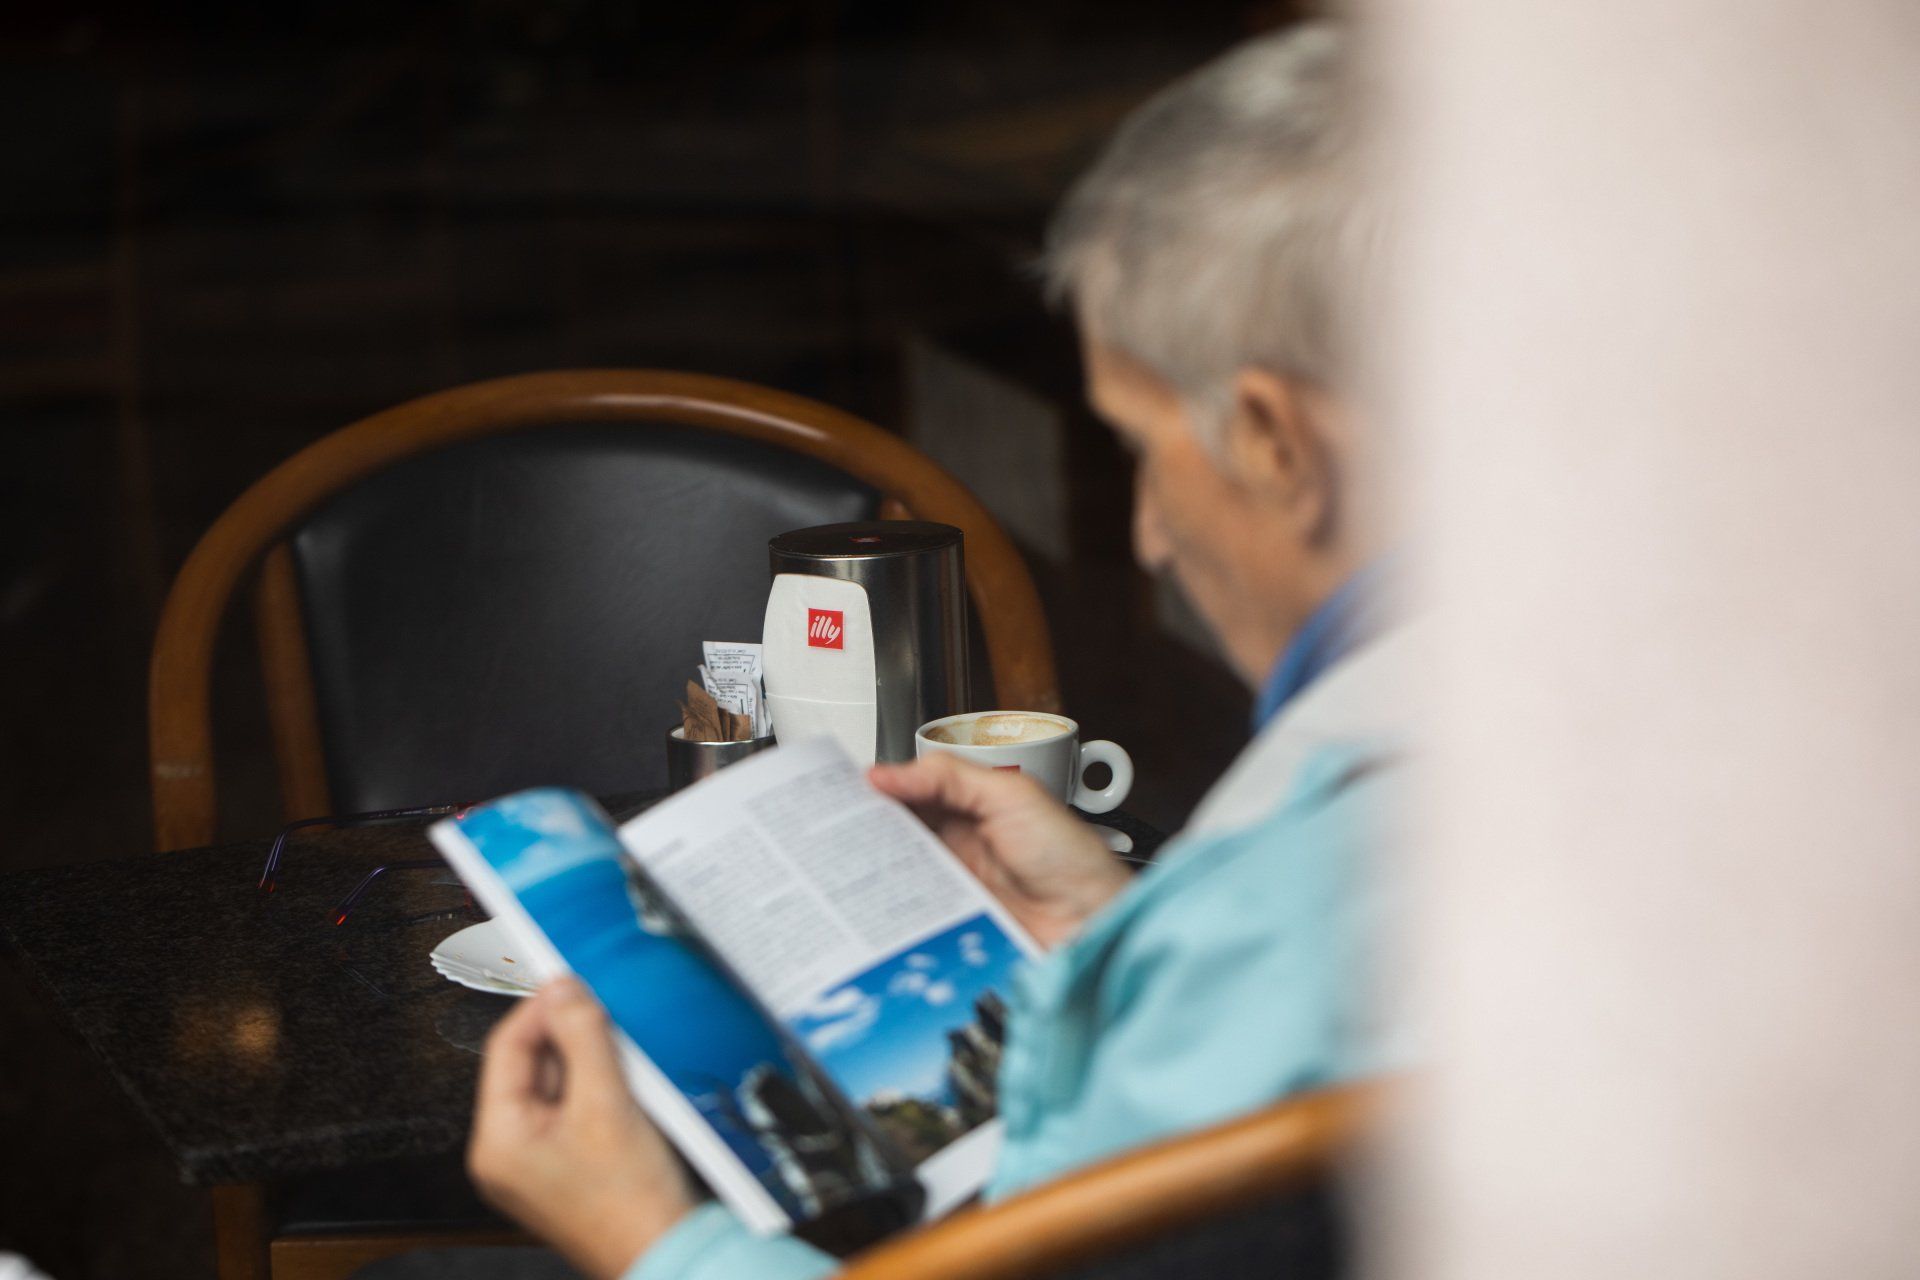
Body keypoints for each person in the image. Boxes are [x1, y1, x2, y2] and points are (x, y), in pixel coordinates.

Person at [393, 21, 1407, 1280]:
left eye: (1143, 447)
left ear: (1272, 441)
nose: (1148, 535)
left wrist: (652, 1239)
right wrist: (1115, 934)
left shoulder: (1298, 886)